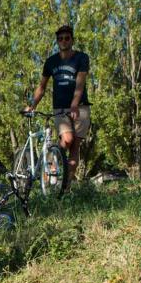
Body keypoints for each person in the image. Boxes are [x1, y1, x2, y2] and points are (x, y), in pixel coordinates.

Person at [26, 24, 91, 185]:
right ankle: (53, 160)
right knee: (67, 139)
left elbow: (80, 83)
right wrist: (32, 105)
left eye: (67, 38)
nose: (63, 41)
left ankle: (66, 186)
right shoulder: (51, 62)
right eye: (60, 38)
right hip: (60, 108)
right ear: (57, 41)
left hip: (80, 107)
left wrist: (75, 104)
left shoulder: (82, 58)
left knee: (75, 146)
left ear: (72, 40)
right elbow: (42, 87)